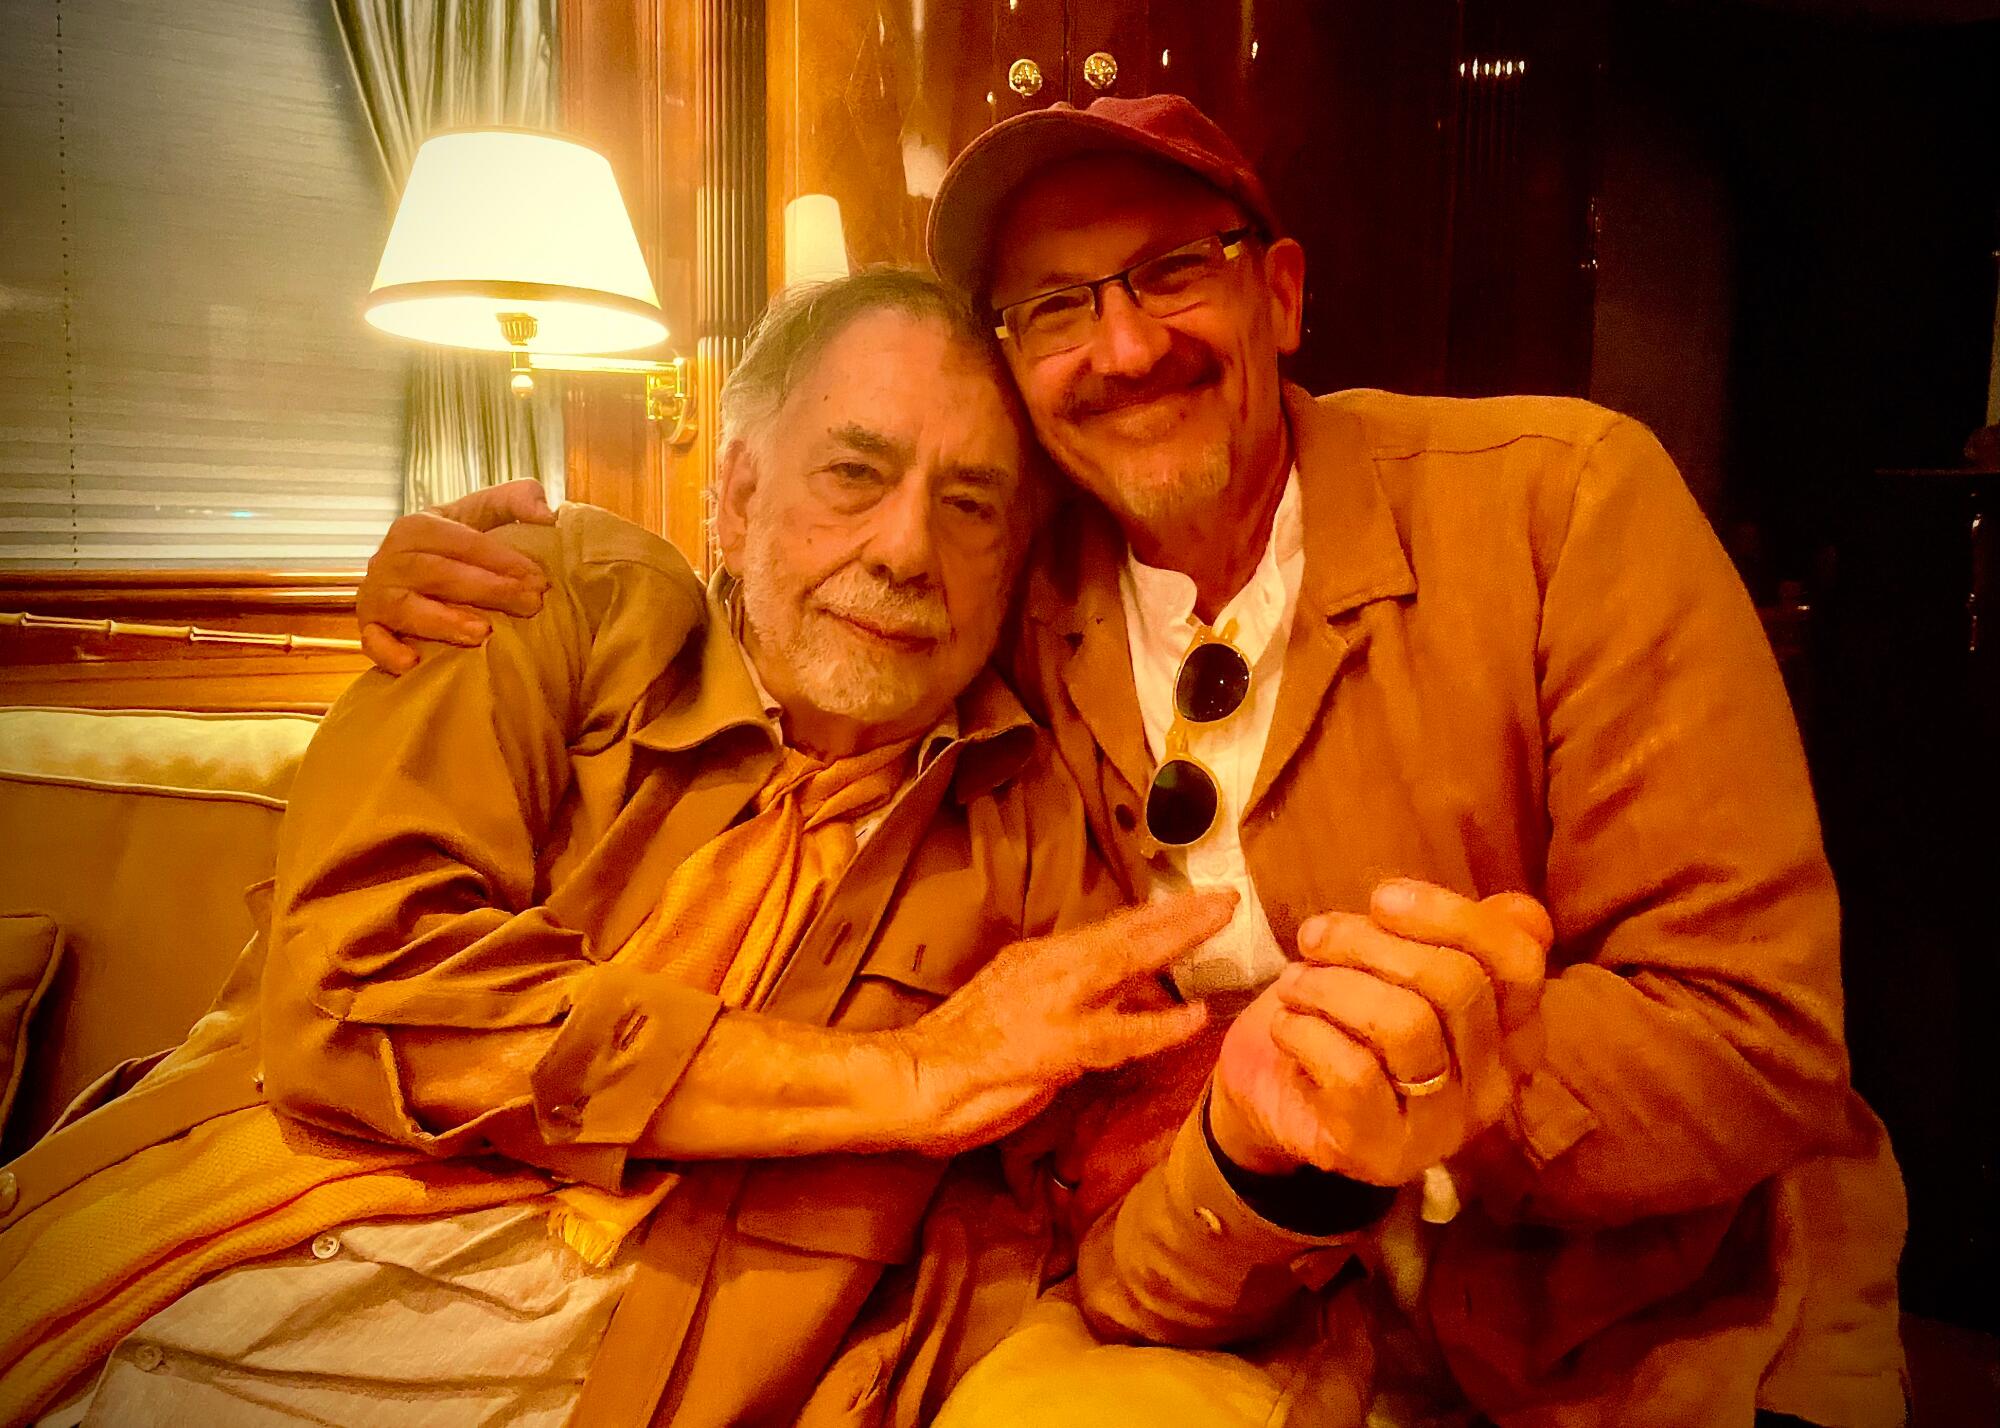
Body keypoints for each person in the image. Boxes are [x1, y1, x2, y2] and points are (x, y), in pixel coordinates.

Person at [347, 98, 1909, 1428]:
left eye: (1174, 272)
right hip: (1244, 1292)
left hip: (1647, 1339)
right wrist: (549, 570)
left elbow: (1760, 1036)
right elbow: (797, 613)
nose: (1126, 344)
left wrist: (1438, 1093)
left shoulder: (1561, 505)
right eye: (1052, 307)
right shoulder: (1004, 601)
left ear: (1282, 295)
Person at [0, 269, 1236, 1428]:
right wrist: (903, 1078)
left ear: (1014, 554)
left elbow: (1097, 1185)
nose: (905, 550)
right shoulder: (552, 598)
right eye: (853, 476)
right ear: (741, 495)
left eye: (968, 506)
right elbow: (358, 997)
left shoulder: (1031, 822)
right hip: (212, 1270)